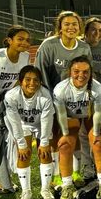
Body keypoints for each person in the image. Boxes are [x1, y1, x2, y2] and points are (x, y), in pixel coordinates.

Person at [34, 11, 93, 188]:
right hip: (50, 99)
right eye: (66, 24)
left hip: (74, 101)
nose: (70, 27)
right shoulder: (48, 46)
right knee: (53, 140)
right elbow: (40, 74)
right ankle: (55, 176)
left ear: (79, 27)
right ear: (59, 28)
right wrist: (47, 101)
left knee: (71, 136)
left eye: (74, 24)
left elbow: (88, 74)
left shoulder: (83, 47)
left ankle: (74, 173)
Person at [0, 26, 31, 193]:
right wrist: (0, 104)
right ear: (9, 40)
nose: (25, 42)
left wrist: (10, 100)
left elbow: (18, 81)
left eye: (27, 40)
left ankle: (3, 177)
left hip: (3, 98)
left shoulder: (25, 56)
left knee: (5, 138)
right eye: (20, 39)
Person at [53, 56, 101, 199]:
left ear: (90, 73)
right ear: (70, 71)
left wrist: (96, 133)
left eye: (85, 72)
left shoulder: (96, 87)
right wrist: (65, 134)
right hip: (70, 116)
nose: (81, 75)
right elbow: (62, 114)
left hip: (90, 113)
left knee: (98, 144)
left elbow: (97, 112)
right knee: (64, 145)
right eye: (76, 71)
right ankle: (67, 185)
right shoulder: (60, 89)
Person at [4, 66, 55, 199]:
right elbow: (14, 121)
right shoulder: (11, 96)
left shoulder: (45, 96)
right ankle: (26, 191)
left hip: (40, 124)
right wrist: (21, 144)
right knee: (23, 155)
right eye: (27, 79)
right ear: (21, 81)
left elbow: (46, 120)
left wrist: (44, 143)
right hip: (22, 124)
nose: (32, 83)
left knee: (45, 154)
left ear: (40, 82)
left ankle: (45, 189)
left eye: (36, 80)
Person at [82, 17, 101, 179]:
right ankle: (88, 165)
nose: (97, 33)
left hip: (100, 92)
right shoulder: (79, 45)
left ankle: (100, 161)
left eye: (100, 30)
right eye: (93, 29)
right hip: (81, 94)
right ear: (86, 31)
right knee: (84, 131)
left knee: (100, 130)